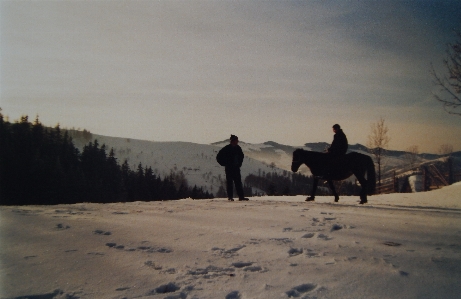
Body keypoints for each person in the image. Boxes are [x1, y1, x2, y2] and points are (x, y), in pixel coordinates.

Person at [216, 135, 249, 201]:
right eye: (236, 140)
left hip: (236, 168)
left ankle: (241, 197)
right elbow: (218, 157)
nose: (237, 142)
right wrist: (224, 163)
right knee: (230, 183)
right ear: (233, 141)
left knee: (238, 182)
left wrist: (239, 164)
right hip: (229, 168)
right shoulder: (227, 148)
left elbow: (241, 156)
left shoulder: (238, 148)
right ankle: (230, 197)